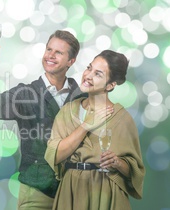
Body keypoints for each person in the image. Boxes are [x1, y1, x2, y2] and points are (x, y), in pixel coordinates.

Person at [0, 30, 85, 209]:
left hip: (75, 193)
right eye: (48, 49)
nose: (50, 55)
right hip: (37, 193)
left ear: (71, 61)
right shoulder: (25, 94)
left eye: (58, 52)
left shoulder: (82, 97)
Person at [44, 50, 145, 210]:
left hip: (106, 192)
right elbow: (54, 155)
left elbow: (135, 170)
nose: (88, 75)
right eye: (89, 68)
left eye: (98, 74)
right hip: (71, 191)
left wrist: (117, 163)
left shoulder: (122, 119)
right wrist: (86, 126)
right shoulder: (67, 111)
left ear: (111, 85)